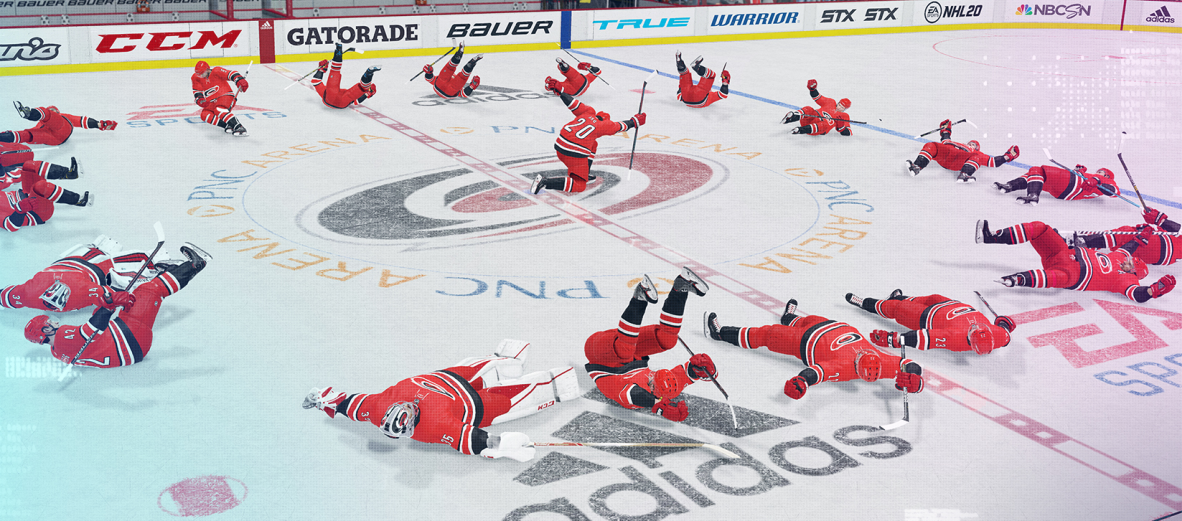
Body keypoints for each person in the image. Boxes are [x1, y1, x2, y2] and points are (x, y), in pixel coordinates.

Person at [301, 340, 581, 462]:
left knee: (489, 368)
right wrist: (501, 445)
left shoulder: (383, 409)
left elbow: (346, 403)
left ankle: (506, 361)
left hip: (454, 383)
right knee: (511, 393)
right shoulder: (383, 410)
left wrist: (323, 399)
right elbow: (473, 439)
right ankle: (547, 381)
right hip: (467, 398)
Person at [24, 243, 209, 367]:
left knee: (133, 300)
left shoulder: (57, 352)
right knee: (148, 291)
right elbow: (92, 330)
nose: (55, 322)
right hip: (130, 338)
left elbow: (92, 338)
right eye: (50, 323)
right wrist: (107, 306)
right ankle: (195, 264)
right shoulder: (62, 336)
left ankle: (169, 275)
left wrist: (107, 305)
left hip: (128, 346)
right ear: (46, 330)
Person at [703, 301, 924, 400]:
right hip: (830, 325)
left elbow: (817, 373)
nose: (863, 353)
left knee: (769, 334)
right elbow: (908, 364)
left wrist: (801, 381)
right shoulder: (882, 363)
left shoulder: (843, 369)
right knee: (807, 319)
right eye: (866, 354)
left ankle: (720, 333)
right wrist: (915, 378)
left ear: (857, 368)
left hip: (803, 342)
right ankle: (789, 317)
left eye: (861, 358)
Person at [585, 270, 715, 422]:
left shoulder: (630, 396)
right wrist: (703, 369)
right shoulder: (668, 390)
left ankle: (639, 298)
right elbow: (686, 374)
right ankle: (681, 288)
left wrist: (658, 406)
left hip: (598, 352)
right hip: (628, 344)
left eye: (651, 382)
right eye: (654, 375)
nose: (651, 376)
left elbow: (636, 394)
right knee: (668, 340)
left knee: (626, 350)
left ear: (654, 391)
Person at [975, 219, 1176, 302]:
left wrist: (1153, 291)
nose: (1127, 261)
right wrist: (1143, 236)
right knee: (1039, 228)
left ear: (1133, 272)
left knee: (1055, 278)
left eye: (1131, 264)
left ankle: (1015, 280)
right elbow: (1130, 246)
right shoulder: (1121, 256)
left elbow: (1138, 295)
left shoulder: (1127, 281)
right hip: (1063, 254)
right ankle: (990, 237)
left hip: (1073, 275)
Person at [529, 89, 646, 195]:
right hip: (574, 154)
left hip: (559, 146)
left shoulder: (588, 112)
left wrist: (561, 92)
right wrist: (635, 121)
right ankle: (545, 182)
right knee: (580, 185)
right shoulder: (604, 125)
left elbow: (572, 103)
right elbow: (620, 126)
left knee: (593, 144)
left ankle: (585, 174)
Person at [846, 289, 1015, 354]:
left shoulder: (954, 339)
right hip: (949, 303)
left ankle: (865, 303)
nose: (974, 326)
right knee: (929, 297)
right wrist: (1004, 322)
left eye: (972, 331)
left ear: (970, 339)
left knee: (896, 308)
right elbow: (1006, 327)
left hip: (925, 317)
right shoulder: (999, 336)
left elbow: (922, 338)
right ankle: (898, 297)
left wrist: (895, 339)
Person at [1, 234, 130, 311]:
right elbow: (114, 296)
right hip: (76, 264)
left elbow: (4, 296)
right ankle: (101, 254)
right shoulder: (29, 293)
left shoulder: (28, 293)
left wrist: (117, 297)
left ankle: (102, 255)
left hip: (77, 266)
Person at [1073, 207, 1182, 267]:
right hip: (1162, 253)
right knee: (1125, 240)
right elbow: (1179, 236)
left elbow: (1181, 231)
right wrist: (1156, 223)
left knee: (1126, 233)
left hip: (1162, 248)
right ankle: (1087, 249)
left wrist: (1160, 220)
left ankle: (1084, 242)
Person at [907, 119, 1019, 183]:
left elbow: (992, 161)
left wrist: (1007, 156)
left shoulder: (976, 153)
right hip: (946, 154)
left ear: (977, 148)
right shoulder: (956, 143)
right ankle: (917, 167)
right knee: (932, 145)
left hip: (960, 161)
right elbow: (945, 139)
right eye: (970, 143)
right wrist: (946, 128)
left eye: (974, 145)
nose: (971, 145)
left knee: (978, 157)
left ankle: (964, 174)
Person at [994, 163, 1120, 205]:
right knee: (1035, 176)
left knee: (1037, 170)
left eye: (1101, 172)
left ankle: (1032, 195)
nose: (1098, 172)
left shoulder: (1107, 180)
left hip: (1071, 183)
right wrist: (1078, 171)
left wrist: (1097, 180)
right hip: (1065, 191)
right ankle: (1010, 186)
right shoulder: (1092, 178)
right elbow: (1089, 183)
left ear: (1107, 175)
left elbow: (1114, 192)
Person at [2, 103, 116, 144]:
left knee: (48, 115)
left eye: (54, 111)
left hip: (62, 130)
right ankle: (3, 137)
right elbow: (33, 133)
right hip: (52, 139)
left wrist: (98, 124)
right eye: (52, 110)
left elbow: (81, 120)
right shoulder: (40, 123)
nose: (53, 112)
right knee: (27, 134)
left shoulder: (63, 117)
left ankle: (29, 114)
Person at [309, 43, 377, 108]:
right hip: (339, 101)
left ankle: (368, 73)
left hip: (335, 100)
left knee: (361, 88)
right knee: (361, 88)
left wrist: (321, 70)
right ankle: (368, 73)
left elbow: (315, 82)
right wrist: (321, 71)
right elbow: (315, 82)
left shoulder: (324, 93)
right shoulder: (324, 93)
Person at [191, 60, 249, 136]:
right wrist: (200, 100)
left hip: (225, 96)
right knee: (204, 115)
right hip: (212, 101)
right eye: (199, 74)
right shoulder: (196, 78)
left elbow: (230, 73)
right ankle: (228, 125)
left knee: (218, 109)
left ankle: (239, 127)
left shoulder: (216, 71)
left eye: (202, 73)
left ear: (207, 69)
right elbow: (197, 92)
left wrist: (239, 79)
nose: (201, 76)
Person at [780, 79, 853, 136]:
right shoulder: (831, 102)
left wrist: (841, 127)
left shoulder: (845, 116)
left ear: (845, 109)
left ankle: (799, 130)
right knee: (809, 109)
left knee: (824, 125)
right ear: (838, 103)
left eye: (842, 107)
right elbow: (817, 97)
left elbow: (848, 133)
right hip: (809, 119)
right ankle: (792, 117)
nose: (839, 108)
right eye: (839, 105)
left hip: (817, 130)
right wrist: (813, 89)